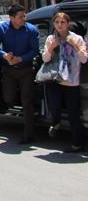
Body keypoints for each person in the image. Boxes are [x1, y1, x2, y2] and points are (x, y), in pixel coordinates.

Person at [0, 4, 40, 144]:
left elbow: (35, 50)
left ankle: (28, 135)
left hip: (26, 70)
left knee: (27, 102)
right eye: (21, 16)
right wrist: (4, 55)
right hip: (9, 71)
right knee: (8, 99)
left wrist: (21, 58)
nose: (24, 18)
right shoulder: (2, 29)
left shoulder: (31, 30)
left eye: (25, 15)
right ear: (11, 18)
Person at [42, 11, 87, 152]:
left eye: (62, 22)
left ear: (68, 24)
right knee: (54, 106)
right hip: (55, 80)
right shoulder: (51, 38)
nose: (59, 25)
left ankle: (78, 143)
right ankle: (55, 123)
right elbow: (45, 59)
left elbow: (84, 59)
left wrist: (75, 45)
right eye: (57, 22)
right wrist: (51, 47)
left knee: (73, 113)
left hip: (71, 81)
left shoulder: (77, 38)